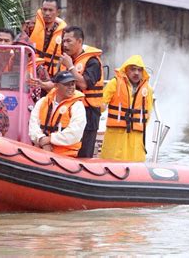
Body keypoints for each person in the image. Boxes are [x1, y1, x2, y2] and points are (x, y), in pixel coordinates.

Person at [58, 26, 104, 158]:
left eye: (68, 41)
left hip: (88, 113)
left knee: (84, 153)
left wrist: (70, 67)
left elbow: (84, 84)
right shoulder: (66, 60)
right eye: (63, 41)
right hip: (68, 111)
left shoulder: (92, 61)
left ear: (79, 41)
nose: (65, 45)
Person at [100, 55, 154, 162]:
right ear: (126, 70)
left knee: (136, 164)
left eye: (139, 70)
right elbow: (101, 104)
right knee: (112, 160)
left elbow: (148, 113)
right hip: (116, 134)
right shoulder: (115, 83)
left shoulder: (147, 89)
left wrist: (137, 126)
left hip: (136, 137)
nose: (136, 73)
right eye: (133, 69)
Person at [28, 71, 86, 158]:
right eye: (67, 84)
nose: (71, 87)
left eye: (73, 84)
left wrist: (49, 139)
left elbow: (74, 133)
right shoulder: (42, 102)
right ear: (56, 86)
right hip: (41, 151)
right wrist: (41, 140)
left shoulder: (77, 106)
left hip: (65, 156)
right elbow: (33, 125)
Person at [24, 0, 67, 77]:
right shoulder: (30, 26)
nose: (47, 13)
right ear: (41, 9)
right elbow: (18, 49)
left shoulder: (64, 32)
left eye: (50, 10)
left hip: (52, 78)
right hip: (29, 74)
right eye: (45, 9)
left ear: (58, 12)